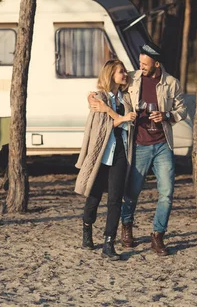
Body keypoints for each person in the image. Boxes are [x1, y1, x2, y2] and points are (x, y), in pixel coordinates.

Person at [90, 42, 187, 256]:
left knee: (167, 193)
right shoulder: (133, 78)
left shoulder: (171, 83)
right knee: (131, 193)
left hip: (162, 144)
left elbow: (182, 109)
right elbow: (107, 87)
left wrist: (167, 116)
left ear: (156, 63)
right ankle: (127, 226)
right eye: (140, 62)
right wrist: (93, 98)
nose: (141, 66)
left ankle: (157, 235)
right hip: (139, 144)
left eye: (145, 63)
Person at [74, 59, 136, 261]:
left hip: (120, 153)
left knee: (115, 199)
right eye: (120, 72)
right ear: (110, 74)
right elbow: (102, 126)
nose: (125, 75)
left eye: (125, 72)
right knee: (94, 196)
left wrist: (117, 117)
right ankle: (87, 227)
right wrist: (122, 119)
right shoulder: (99, 97)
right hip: (101, 153)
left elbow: (126, 125)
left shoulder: (126, 98)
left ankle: (109, 242)